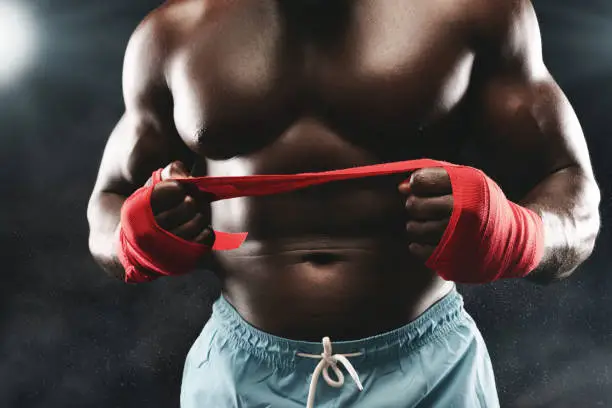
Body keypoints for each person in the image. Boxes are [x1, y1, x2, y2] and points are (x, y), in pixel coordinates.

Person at [87, 0, 601, 407]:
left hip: (429, 376)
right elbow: (106, 206)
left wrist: (518, 234)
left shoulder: (476, 12)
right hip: (239, 377)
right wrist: (133, 238)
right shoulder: (170, 35)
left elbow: (575, 198)